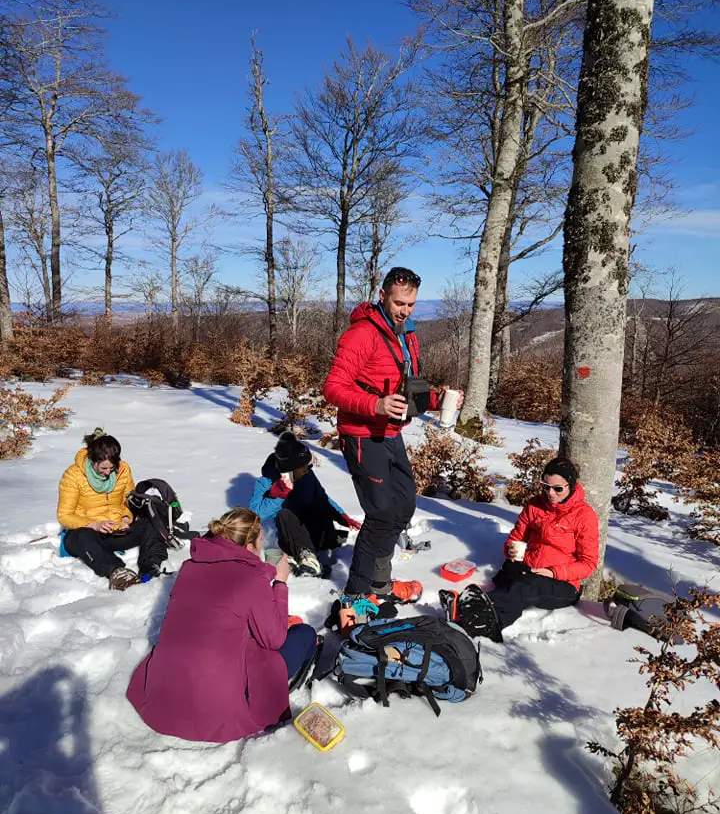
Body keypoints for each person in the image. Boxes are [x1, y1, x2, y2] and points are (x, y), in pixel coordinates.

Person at [323, 266, 460, 606]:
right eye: (399, 303)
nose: (405, 310)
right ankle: (356, 593)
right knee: (381, 511)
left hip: (391, 431)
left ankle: (379, 580)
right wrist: (376, 404)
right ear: (382, 296)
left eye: (411, 304)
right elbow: (333, 388)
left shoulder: (406, 333)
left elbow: (404, 386)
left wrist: (433, 399)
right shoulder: (362, 334)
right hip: (361, 433)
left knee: (404, 505)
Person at [126, 507, 319, 743]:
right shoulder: (252, 577)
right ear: (249, 547)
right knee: (305, 634)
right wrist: (279, 583)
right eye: (260, 541)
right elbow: (274, 639)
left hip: (163, 695)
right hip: (215, 706)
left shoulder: (190, 567)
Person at [442, 458, 599, 641]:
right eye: (545, 486)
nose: (550, 493)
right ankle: (469, 611)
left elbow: (588, 563)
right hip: (528, 569)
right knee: (509, 577)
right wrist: (510, 550)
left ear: (570, 486)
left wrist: (552, 572)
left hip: (562, 583)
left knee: (524, 588)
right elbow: (516, 538)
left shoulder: (584, 516)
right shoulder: (535, 505)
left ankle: (489, 623)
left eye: (558, 488)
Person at [58, 429, 167, 591]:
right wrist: (93, 524)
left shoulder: (123, 470)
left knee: (151, 523)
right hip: (85, 533)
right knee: (83, 536)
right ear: (92, 460)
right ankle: (117, 572)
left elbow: (130, 502)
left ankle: (150, 567)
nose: (108, 472)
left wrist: (126, 518)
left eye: (112, 467)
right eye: (103, 468)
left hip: (115, 531)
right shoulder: (73, 475)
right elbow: (64, 515)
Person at [249, 431, 361, 576]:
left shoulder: (307, 476)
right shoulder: (266, 481)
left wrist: (341, 515)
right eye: (305, 466)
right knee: (285, 514)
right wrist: (278, 496)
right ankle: (305, 556)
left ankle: (322, 549)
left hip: (316, 528)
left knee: (319, 507)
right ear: (291, 469)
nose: (309, 469)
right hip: (292, 535)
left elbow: (322, 497)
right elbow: (254, 514)